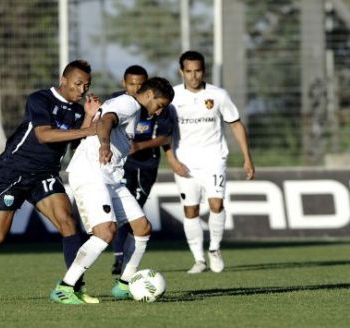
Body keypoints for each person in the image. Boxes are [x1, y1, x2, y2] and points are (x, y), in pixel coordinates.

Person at [0, 60, 102, 303]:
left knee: (68, 224)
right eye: (77, 84)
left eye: (87, 85)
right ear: (63, 80)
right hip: (13, 171)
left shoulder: (77, 110)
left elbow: (76, 143)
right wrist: (88, 130)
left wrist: (87, 117)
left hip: (45, 174)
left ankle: (72, 288)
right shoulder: (40, 99)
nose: (82, 90)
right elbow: (43, 135)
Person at [49, 77, 175, 304]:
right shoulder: (129, 104)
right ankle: (65, 288)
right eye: (160, 106)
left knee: (142, 227)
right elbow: (106, 121)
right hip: (91, 174)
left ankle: (125, 284)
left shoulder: (134, 109)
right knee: (105, 232)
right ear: (148, 96)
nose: (159, 112)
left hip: (110, 177)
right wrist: (105, 145)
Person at [167, 50, 255, 274]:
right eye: (188, 71)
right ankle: (198, 259)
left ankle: (214, 249)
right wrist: (172, 160)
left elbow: (235, 124)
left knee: (216, 204)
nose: (193, 76)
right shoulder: (172, 97)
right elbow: (164, 132)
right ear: (181, 72)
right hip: (184, 162)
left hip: (213, 159)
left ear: (203, 71)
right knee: (190, 210)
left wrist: (247, 158)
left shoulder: (218, 95)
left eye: (197, 71)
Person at [108, 65, 176, 276]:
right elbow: (103, 122)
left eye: (139, 84)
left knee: (134, 213)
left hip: (144, 166)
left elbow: (165, 137)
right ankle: (120, 260)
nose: (135, 87)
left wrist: (140, 146)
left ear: (146, 87)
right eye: (131, 84)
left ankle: (124, 263)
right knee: (123, 216)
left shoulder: (158, 107)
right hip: (118, 166)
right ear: (124, 84)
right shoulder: (118, 102)